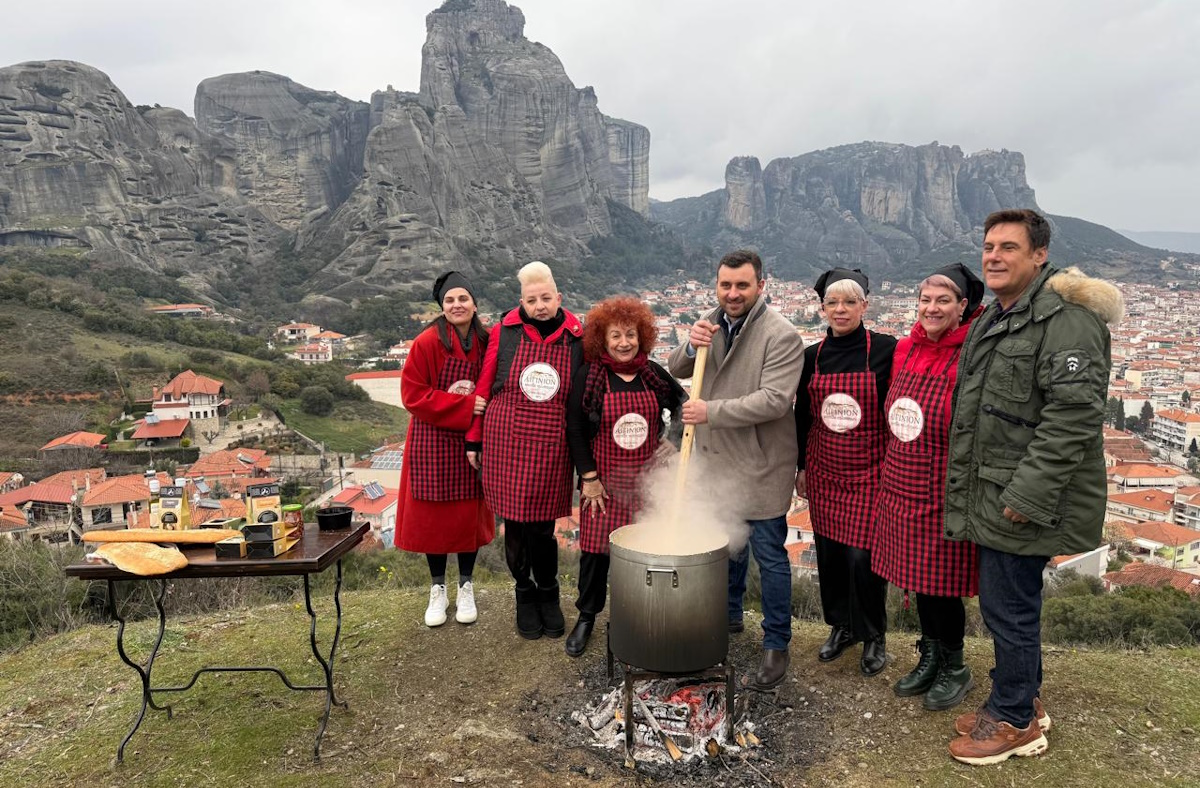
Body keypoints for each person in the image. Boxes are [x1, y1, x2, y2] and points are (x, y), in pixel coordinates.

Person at [944, 209, 1121, 765]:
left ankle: (1015, 720)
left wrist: (1025, 495)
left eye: (1008, 248)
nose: (993, 256)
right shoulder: (998, 315)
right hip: (998, 488)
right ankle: (1019, 699)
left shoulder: (1066, 322)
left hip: (1022, 498)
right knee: (1008, 603)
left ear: (1039, 255)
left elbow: (1072, 420)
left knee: (1009, 608)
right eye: (988, 246)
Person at [667, 249, 805, 691]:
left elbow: (775, 400)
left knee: (769, 556)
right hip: (716, 464)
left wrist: (710, 411)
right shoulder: (710, 321)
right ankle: (726, 620)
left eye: (742, 285)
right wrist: (690, 344)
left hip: (760, 463)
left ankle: (776, 645)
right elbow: (677, 367)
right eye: (725, 285)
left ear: (761, 286)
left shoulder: (780, 334)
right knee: (724, 549)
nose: (732, 293)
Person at [872, 263, 985, 709]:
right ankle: (930, 654)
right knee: (918, 581)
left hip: (944, 484)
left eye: (943, 300)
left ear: (963, 307)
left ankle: (955, 666)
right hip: (901, 479)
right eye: (925, 299)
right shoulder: (904, 350)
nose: (931, 308)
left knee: (943, 584)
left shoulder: (972, 353)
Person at [466, 261, 583, 640]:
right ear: (522, 301)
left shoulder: (578, 337)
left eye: (546, 298)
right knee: (515, 525)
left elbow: (587, 392)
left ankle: (549, 593)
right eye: (532, 300)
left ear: (559, 297)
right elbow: (484, 387)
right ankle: (524, 593)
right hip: (506, 439)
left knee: (543, 527)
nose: (540, 306)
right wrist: (473, 437)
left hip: (552, 442)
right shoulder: (506, 331)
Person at [563, 297, 685, 657]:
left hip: (649, 484)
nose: (623, 343)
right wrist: (589, 477)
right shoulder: (590, 376)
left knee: (646, 555)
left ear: (642, 336)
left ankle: (639, 617)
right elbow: (575, 429)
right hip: (604, 485)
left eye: (630, 334)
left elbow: (682, 405)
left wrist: (673, 440)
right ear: (603, 338)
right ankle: (587, 617)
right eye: (615, 335)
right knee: (596, 555)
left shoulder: (652, 373)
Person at [794, 268, 896, 677]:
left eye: (849, 302)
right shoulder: (811, 356)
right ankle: (841, 626)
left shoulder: (887, 350)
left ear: (864, 306)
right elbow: (803, 416)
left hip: (871, 470)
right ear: (822, 309)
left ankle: (874, 634)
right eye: (833, 303)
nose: (840, 309)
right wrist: (801, 465)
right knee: (831, 555)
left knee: (864, 558)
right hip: (824, 469)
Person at [395, 271, 495, 627]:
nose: (457, 305)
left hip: (473, 439)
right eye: (450, 300)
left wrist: (479, 421)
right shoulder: (426, 343)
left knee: (468, 515)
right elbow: (412, 395)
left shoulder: (486, 341)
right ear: (442, 306)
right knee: (434, 519)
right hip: (433, 439)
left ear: (474, 303)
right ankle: (438, 589)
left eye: (463, 298)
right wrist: (467, 408)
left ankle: (466, 585)